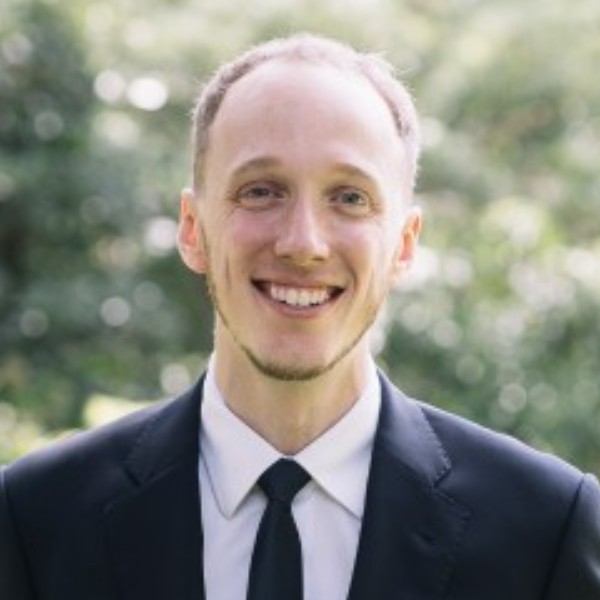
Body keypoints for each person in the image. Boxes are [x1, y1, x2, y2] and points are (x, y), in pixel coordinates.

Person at [1, 33, 599, 600]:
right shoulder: (34, 520)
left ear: (404, 244)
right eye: (261, 191)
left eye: (350, 198)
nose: (303, 243)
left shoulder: (547, 529)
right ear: (192, 229)